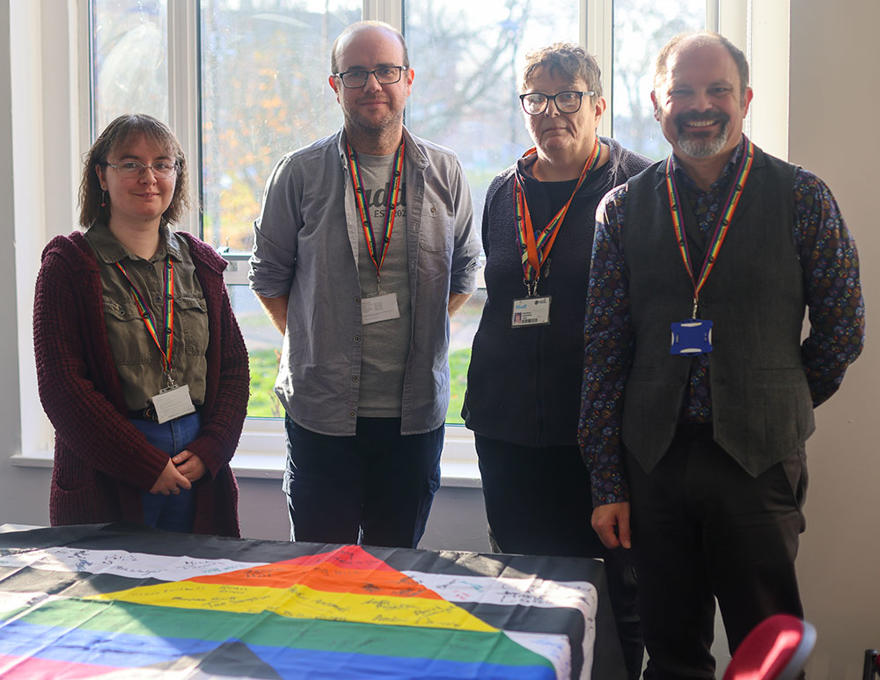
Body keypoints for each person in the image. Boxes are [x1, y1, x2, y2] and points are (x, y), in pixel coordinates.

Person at [579, 32, 864, 678]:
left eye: (717, 90)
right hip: (653, 466)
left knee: (770, 656)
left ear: (746, 100)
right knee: (671, 654)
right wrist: (606, 481)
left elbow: (844, 329)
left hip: (757, 468)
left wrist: (777, 394)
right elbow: (602, 353)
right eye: (682, 90)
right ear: (657, 103)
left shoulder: (802, 198)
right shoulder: (620, 211)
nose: (699, 105)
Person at [249, 21, 481, 549]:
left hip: (414, 417)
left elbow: (466, 268)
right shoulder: (299, 173)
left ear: (408, 79)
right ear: (336, 85)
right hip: (322, 415)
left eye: (386, 71)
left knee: (394, 570)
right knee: (318, 570)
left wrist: (424, 334)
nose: (373, 84)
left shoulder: (445, 171)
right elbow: (267, 275)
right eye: (356, 72)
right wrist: (310, 340)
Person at [462, 43, 650, 679]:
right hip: (508, 426)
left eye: (566, 97)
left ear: (597, 105)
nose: (550, 112)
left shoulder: (639, 188)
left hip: (601, 435)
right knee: (522, 586)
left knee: (614, 589)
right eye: (535, 99)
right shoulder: (499, 193)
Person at [34, 114, 249, 536]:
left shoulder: (199, 262)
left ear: (176, 174)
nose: (148, 177)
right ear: (101, 175)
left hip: (196, 466)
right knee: (116, 597)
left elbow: (234, 372)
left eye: (162, 164)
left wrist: (211, 450)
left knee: (195, 595)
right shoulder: (68, 265)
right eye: (130, 164)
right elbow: (62, 387)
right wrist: (143, 464)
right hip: (110, 470)